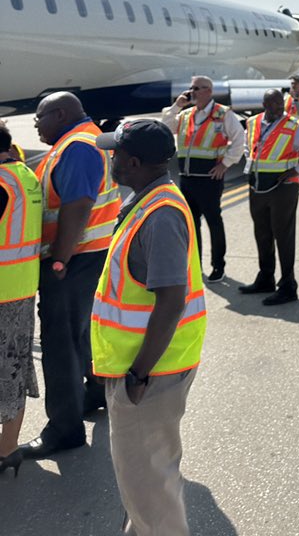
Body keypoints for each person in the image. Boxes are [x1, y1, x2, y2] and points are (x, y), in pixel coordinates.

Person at [92, 119, 206, 536]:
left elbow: (172, 301)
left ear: (134, 162)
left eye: (115, 153)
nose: (111, 158)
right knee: (143, 485)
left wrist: (138, 375)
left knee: (152, 488)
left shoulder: (159, 216)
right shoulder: (148, 200)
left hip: (150, 374)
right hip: (146, 367)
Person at [21, 92, 120, 459]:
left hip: (73, 259)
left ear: (60, 114)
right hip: (89, 255)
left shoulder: (76, 147)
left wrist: (59, 261)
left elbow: (78, 206)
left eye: (39, 117)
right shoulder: (84, 139)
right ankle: (94, 391)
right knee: (82, 332)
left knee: (60, 344)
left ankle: (64, 429)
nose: (36, 125)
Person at [239, 89, 299, 305]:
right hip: (258, 186)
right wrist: (250, 161)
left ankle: (288, 286)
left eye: (281, 104)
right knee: (262, 233)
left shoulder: (293, 125)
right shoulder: (253, 122)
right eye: (274, 104)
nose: (279, 108)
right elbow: (248, 146)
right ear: (264, 104)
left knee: (283, 236)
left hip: (283, 187)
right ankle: (265, 278)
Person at [161, 76, 245, 283]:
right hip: (187, 178)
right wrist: (175, 106)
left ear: (208, 91)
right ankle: (195, 265)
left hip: (209, 179)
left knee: (214, 222)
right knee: (191, 224)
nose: (192, 91)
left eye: (196, 88)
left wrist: (225, 164)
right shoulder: (186, 114)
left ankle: (219, 266)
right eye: (191, 88)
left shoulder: (223, 114)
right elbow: (166, 128)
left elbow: (239, 138)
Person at [0, 125, 43, 478]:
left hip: (2, 292)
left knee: (7, 368)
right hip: (21, 287)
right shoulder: (24, 174)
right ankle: (8, 447)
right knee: (13, 366)